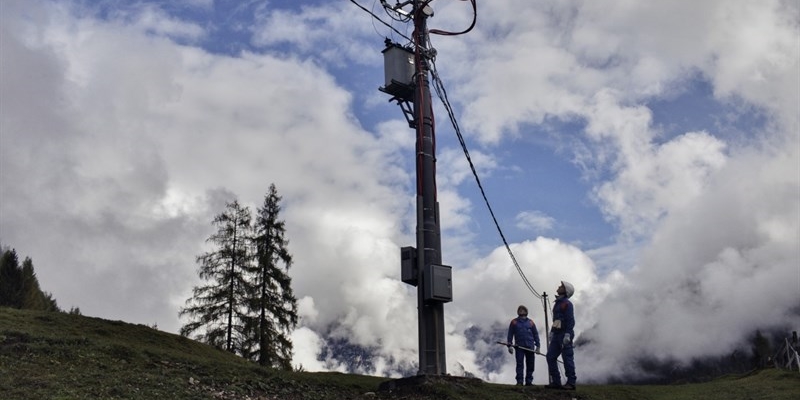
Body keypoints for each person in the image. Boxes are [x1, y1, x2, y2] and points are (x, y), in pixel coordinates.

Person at [545, 281, 577, 390]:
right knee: (550, 356)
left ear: (566, 290)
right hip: (557, 334)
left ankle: (571, 383)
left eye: (561, 286)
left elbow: (570, 320)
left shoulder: (567, 304)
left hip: (564, 334)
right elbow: (556, 320)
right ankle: (556, 382)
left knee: (567, 358)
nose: (559, 287)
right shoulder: (557, 303)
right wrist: (552, 331)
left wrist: (568, 334)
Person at [506, 305, 541, 386]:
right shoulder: (514, 322)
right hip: (519, 347)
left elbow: (535, 334)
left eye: (523, 309)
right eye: (519, 310)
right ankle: (519, 382)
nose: (521, 311)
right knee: (519, 364)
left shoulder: (531, 322)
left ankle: (529, 381)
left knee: (530, 364)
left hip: (530, 347)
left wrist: (538, 346)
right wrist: (509, 345)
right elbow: (510, 334)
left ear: (526, 311)